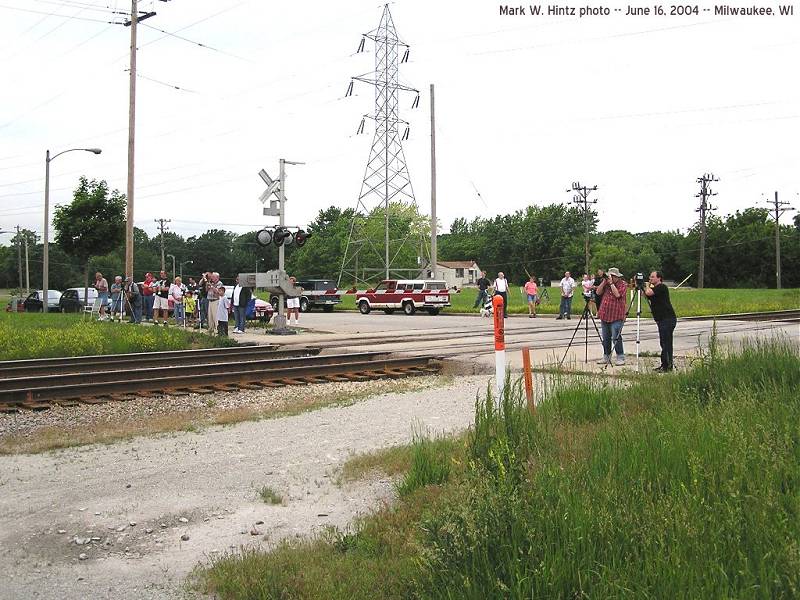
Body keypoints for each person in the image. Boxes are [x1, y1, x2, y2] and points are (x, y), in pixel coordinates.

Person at [645, 271, 677, 372]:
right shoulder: (655, 289)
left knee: (666, 343)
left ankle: (667, 366)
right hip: (662, 319)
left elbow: (648, 292)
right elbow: (646, 295)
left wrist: (646, 285)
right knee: (664, 343)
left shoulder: (661, 287)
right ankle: (665, 364)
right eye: (650, 277)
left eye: (652, 277)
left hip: (667, 319)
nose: (650, 278)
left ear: (659, 278)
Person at [595, 267, 628, 366]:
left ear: (617, 277)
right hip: (605, 314)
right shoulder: (606, 284)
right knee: (606, 337)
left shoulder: (623, 285)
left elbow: (617, 295)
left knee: (616, 336)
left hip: (617, 315)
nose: (611, 278)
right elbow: (598, 292)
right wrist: (604, 282)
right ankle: (606, 356)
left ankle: (620, 356)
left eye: (613, 276)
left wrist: (611, 284)